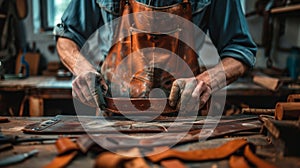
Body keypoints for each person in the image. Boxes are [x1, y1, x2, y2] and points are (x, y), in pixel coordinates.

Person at [54, 0, 257, 115]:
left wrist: (205, 81)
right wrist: (82, 70)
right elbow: (68, 36)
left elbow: (240, 49)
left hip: (184, 115)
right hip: (112, 114)